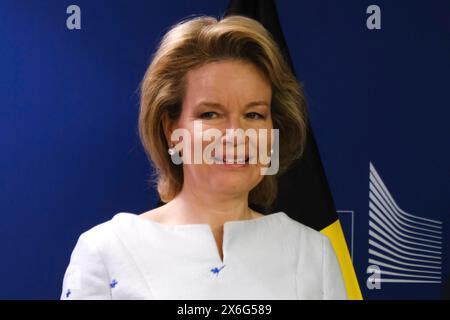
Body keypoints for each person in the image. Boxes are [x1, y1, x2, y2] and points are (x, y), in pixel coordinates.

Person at [60, 15, 347, 300]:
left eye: (254, 114)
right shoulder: (107, 250)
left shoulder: (313, 253)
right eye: (210, 114)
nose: (236, 134)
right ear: (171, 127)